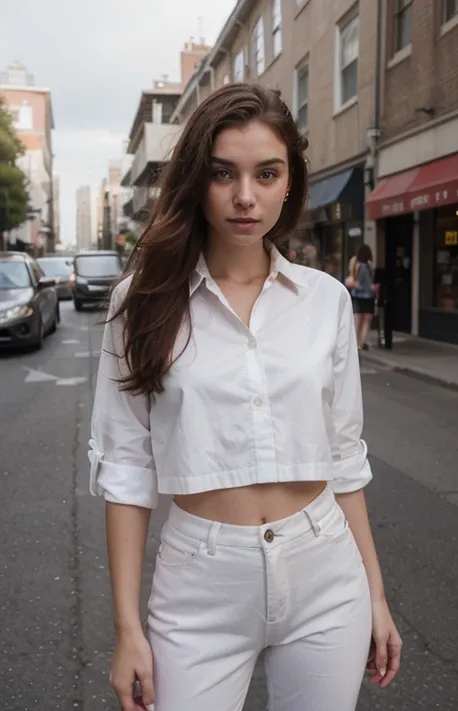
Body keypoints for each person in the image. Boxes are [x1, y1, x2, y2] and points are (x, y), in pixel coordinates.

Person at [88, 83, 402, 711]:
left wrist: (375, 593)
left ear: (290, 182)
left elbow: (344, 457)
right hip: (200, 586)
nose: (244, 196)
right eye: (222, 173)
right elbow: (126, 469)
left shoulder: (326, 300)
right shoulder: (141, 303)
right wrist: (127, 629)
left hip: (324, 570)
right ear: (195, 181)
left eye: (266, 173)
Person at [351, 244, 377, 351]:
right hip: (369, 296)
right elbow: (370, 283)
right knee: (367, 321)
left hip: (357, 295)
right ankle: (360, 343)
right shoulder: (369, 266)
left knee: (357, 321)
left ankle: (355, 342)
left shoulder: (356, 265)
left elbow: (355, 281)